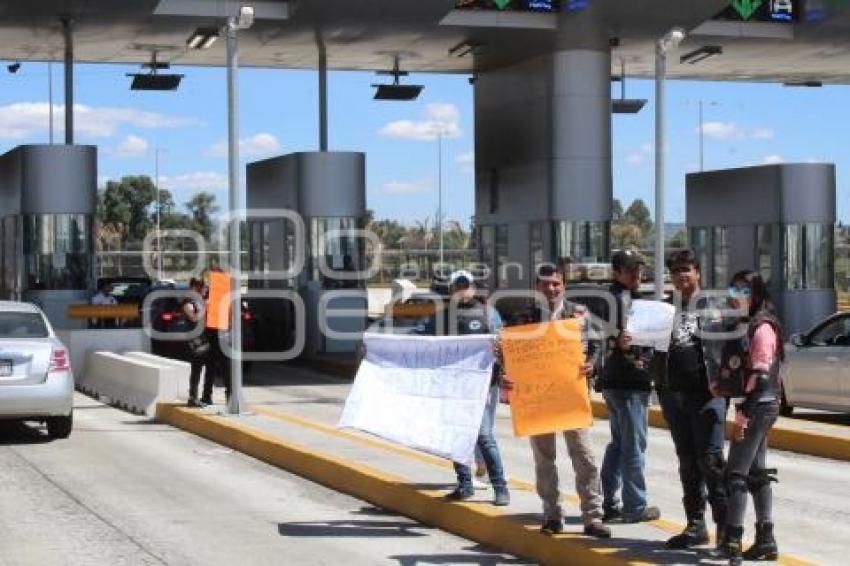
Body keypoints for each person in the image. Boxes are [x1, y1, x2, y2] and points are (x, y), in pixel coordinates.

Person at [504, 264, 611, 538]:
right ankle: (552, 515)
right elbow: (508, 355)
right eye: (545, 284)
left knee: (585, 457)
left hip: (571, 397)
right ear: (536, 287)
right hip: (538, 401)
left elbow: (599, 344)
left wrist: (592, 364)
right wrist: (506, 375)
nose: (551, 288)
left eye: (556, 283)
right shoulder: (523, 318)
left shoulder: (580, 314)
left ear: (563, 285)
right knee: (544, 460)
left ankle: (593, 517)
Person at [656, 250, 728, 549]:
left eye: (686, 269)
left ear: (698, 272)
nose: (681, 275)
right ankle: (695, 525)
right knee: (687, 463)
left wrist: (724, 384)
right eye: (675, 271)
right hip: (673, 396)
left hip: (706, 396)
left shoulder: (718, 307)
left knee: (711, 462)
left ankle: (727, 528)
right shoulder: (663, 310)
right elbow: (651, 349)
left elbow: (733, 349)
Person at [421, 269, 510, 507]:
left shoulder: (489, 315)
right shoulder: (440, 317)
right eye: (457, 287)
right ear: (451, 291)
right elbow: (417, 339)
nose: (463, 290)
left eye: (466, 286)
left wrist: (504, 366)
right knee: (457, 436)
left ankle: (501, 488)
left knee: (484, 436)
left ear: (473, 288)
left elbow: (506, 345)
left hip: (482, 387)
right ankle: (464, 485)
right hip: (453, 388)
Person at [717, 271, 783, 565]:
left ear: (756, 294)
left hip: (758, 406)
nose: (737, 295)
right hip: (762, 404)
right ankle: (766, 540)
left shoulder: (761, 328)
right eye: (734, 289)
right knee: (757, 471)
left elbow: (761, 375)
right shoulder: (748, 325)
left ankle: (732, 541)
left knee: (735, 474)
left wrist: (742, 416)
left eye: (744, 290)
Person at [598, 250, 661, 523]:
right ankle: (634, 505)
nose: (636, 274)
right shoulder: (625, 301)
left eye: (638, 268)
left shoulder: (612, 299)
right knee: (634, 444)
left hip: (614, 381)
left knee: (619, 444)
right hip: (628, 381)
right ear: (617, 272)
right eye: (629, 269)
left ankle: (610, 502)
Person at [183, 277, 210, 408]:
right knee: (197, 368)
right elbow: (194, 318)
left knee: (208, 367)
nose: (205, 290)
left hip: (205, 338)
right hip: (196, 340)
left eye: (205, 287)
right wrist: (205, 307)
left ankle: (205, 396)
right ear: (195, 287)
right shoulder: (189, 303)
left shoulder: (202, 302)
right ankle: (192, 397)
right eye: (203, 287)